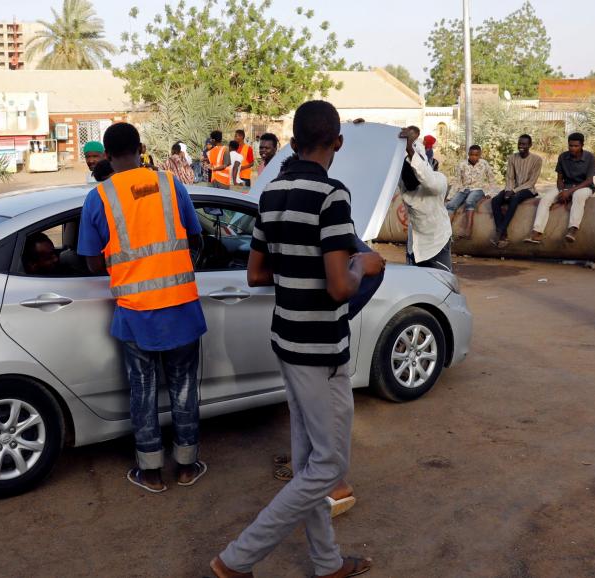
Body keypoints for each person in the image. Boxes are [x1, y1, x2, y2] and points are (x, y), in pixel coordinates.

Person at [211, 100, 381, 578]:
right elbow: (341, 287)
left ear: (292, 142)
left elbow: (256, 274)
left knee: (311, 460)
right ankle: (237, 558)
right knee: (328, 468)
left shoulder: (272, 193)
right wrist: (363, 263)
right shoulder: (332, 195)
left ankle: (326, 562)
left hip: (288, 340)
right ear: (337, 142)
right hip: (319, 347)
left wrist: (299, 266)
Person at [77, 122, 208, 493]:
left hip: (136, 311)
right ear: (141, 148)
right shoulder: (170, 184)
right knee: (184, 388)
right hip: (181, 307)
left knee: (143, 391)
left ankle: (150, 471)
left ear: (106, 154)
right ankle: (186, 466)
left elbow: (91, 261)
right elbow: (195, 236)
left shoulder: (99, 197)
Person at [397, 126, 452, 272]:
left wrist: (410, 150)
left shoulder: (438, 180)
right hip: (415, 243)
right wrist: (364, 131)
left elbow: (427, 179)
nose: (409, 172)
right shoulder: (404, 183)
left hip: (437, 243)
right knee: (415, 283)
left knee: (439, 282)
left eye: (413, 167)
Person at [525, 133, 595, 244]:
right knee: (545, 199)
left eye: (576, 146)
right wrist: (562, 191)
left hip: (584, 186)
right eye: (570, 145)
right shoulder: (563, 157)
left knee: (578, 196)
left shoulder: (590, 157)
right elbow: (559, 179)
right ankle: (537, 232)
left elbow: (589, 180)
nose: (572, 148)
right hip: (566, 186)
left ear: (582, 145)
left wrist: (569, 192)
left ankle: (572, 229)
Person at [490, 134, 542, 248]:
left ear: (530, 145)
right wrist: (508, 190)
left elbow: (531, 182)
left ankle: (500, 231)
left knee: (514, 198)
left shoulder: (537, 159)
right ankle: (503, 234)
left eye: (524, 144)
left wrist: (513, 191)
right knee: (495, 200)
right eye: (519, 144)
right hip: (512, 188)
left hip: (528, 190)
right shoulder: (512, 157)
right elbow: (509, 177)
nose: (521, 146)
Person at [446, 144, 495, 239]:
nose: (474, 157)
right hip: (464, 189)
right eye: (472, 154)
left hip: (478, 189)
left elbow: (491, 179)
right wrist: (450, 196)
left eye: (476, 155)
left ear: (480, 155)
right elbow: (457, 181)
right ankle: (446, 231)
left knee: (470, 201)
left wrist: (490, 192)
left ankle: (468, 230)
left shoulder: (484, 163)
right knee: (451, 205)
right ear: (468, 154)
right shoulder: (462, 164)